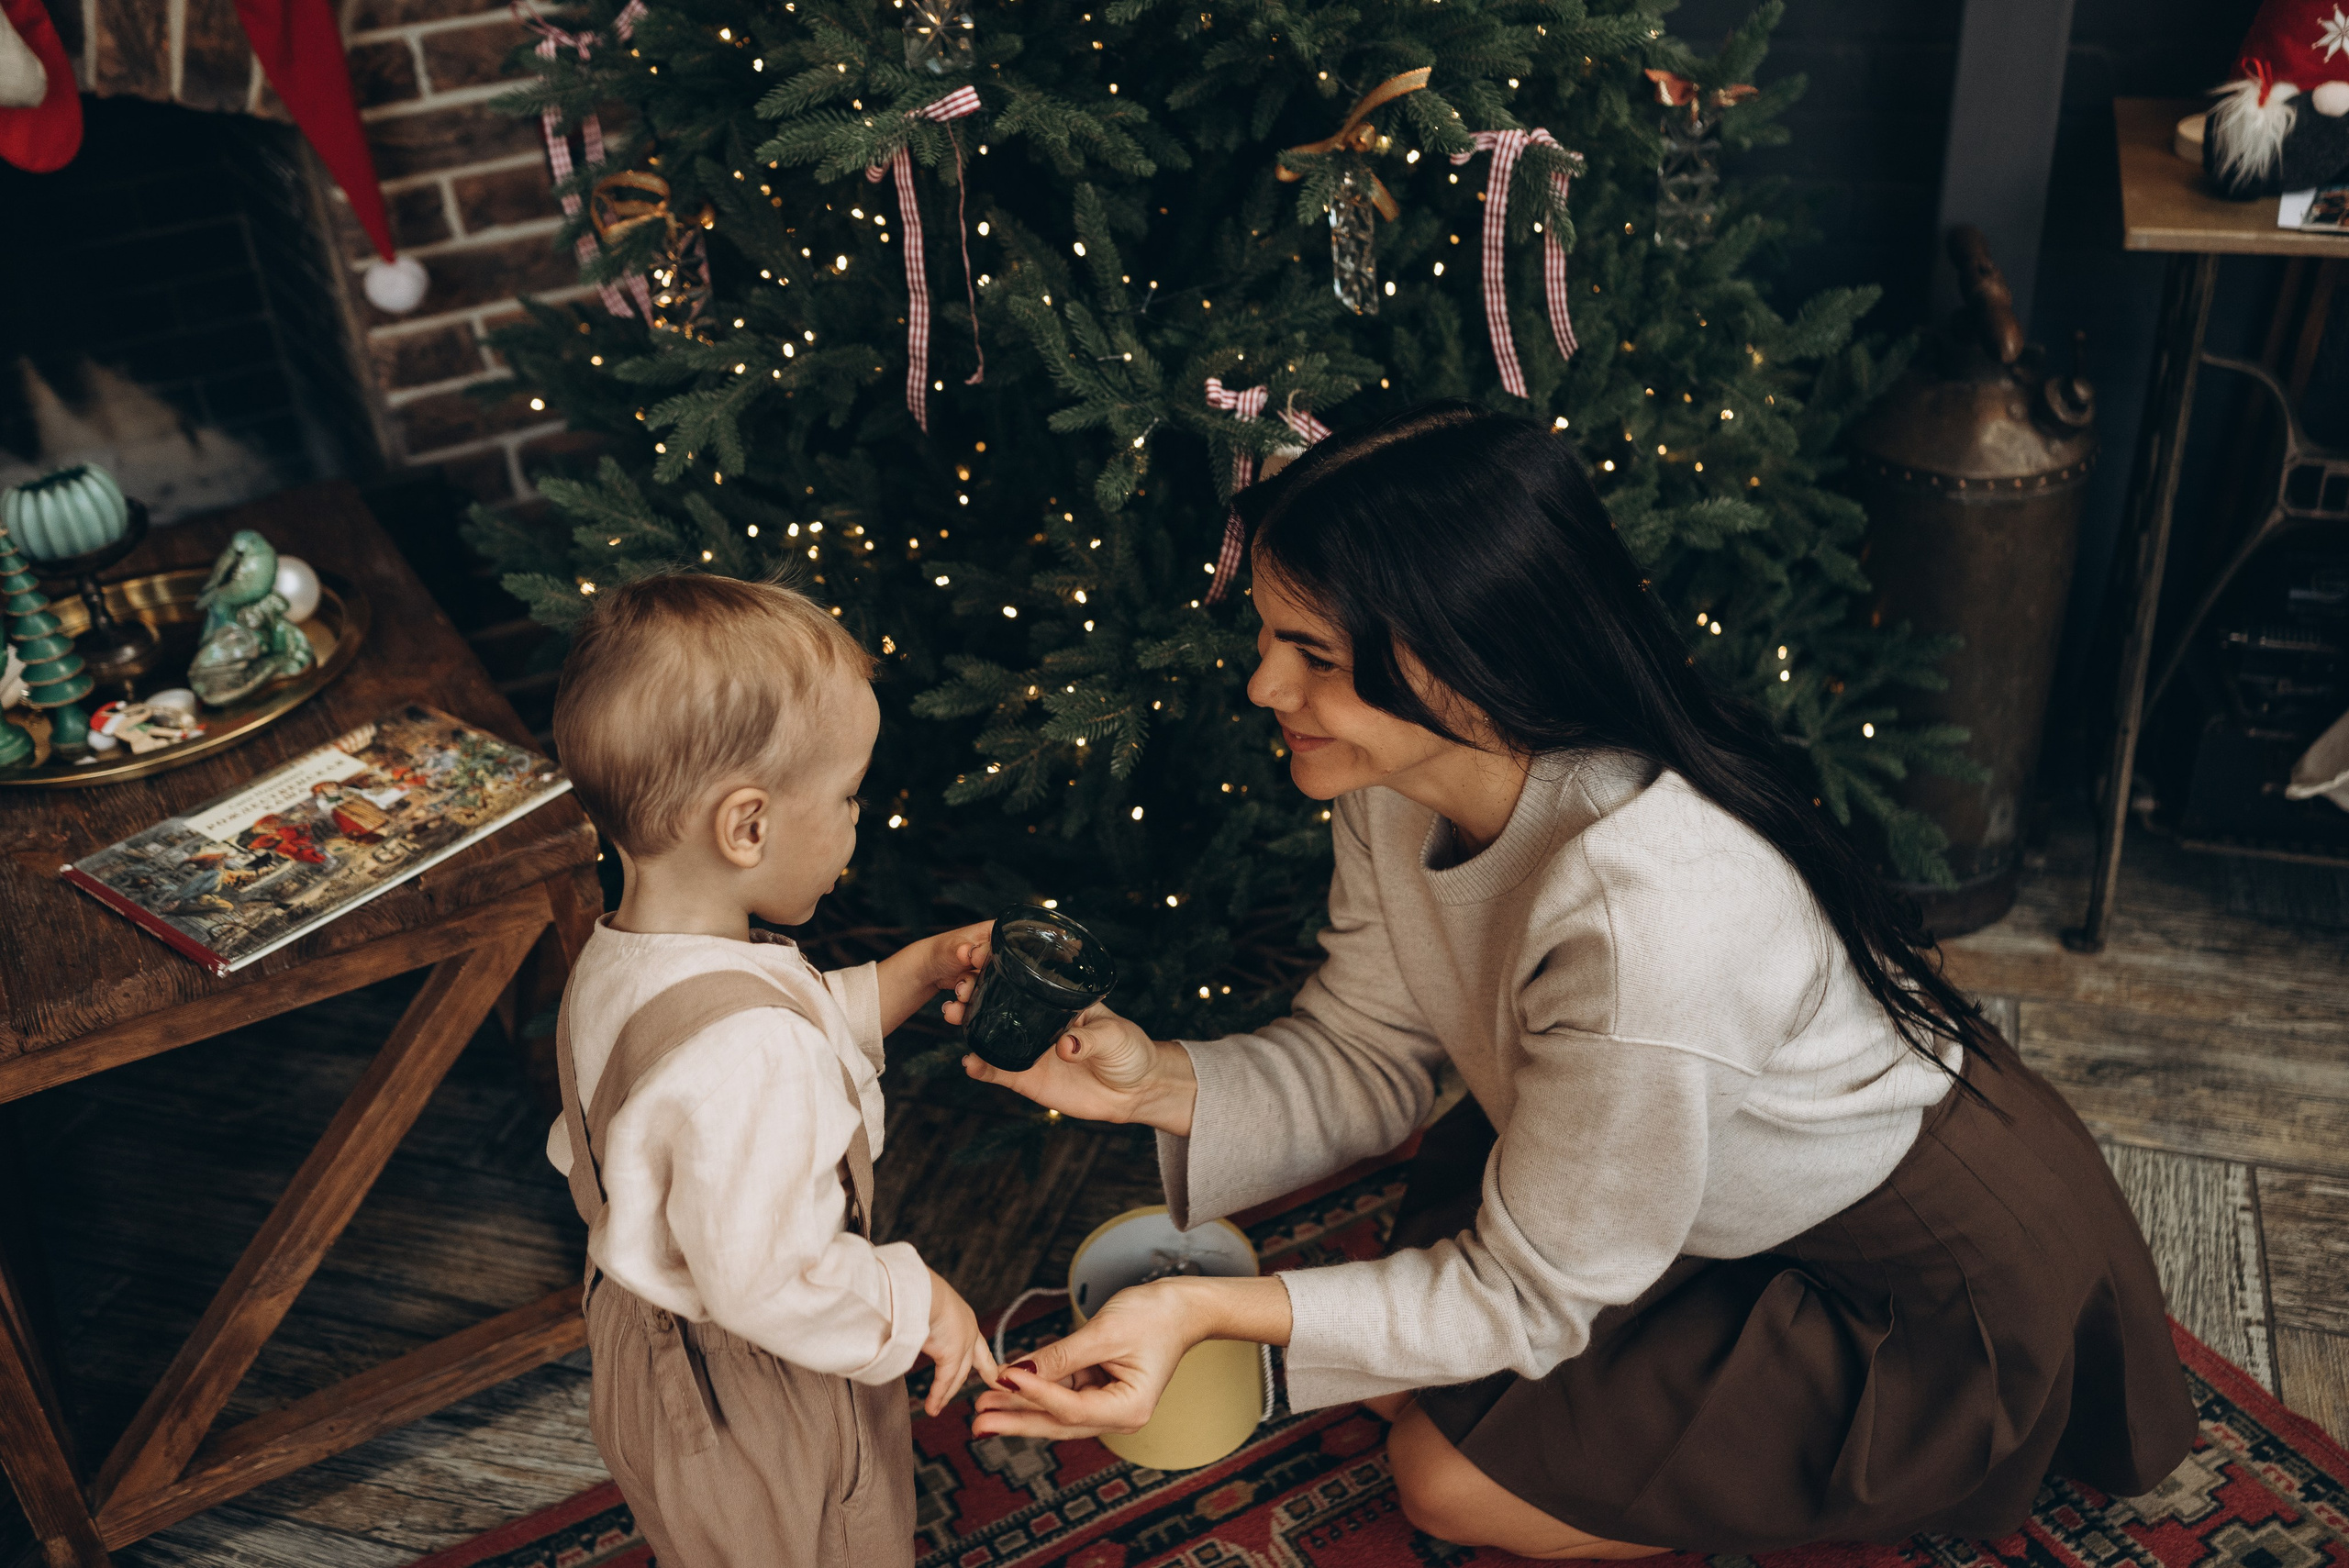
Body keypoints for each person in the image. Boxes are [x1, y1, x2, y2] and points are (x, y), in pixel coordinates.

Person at [954, 403, 2197, 1559]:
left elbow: (1521, 1291)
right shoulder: (1395, 779)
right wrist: (1154, 1082)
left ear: (1458, 660)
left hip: (1903, 1274)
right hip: (1697, 1186)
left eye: (1310, 653)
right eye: (1270, 639)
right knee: (1411, 1376)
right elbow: (1371, 1051)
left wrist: (1218, 1314)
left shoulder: (1649, 913)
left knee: (1438, 1474)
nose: (1265, 688)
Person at [547, 574, 999, 1568]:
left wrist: (914, 971)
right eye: (845, 796)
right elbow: (770, 1273)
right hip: (762, 1395)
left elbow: (753, 1041)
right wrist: (918, 1300)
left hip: (649, 1361)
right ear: (746, 826)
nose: (855, 822)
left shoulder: (623, 955)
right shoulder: (750, 1052)